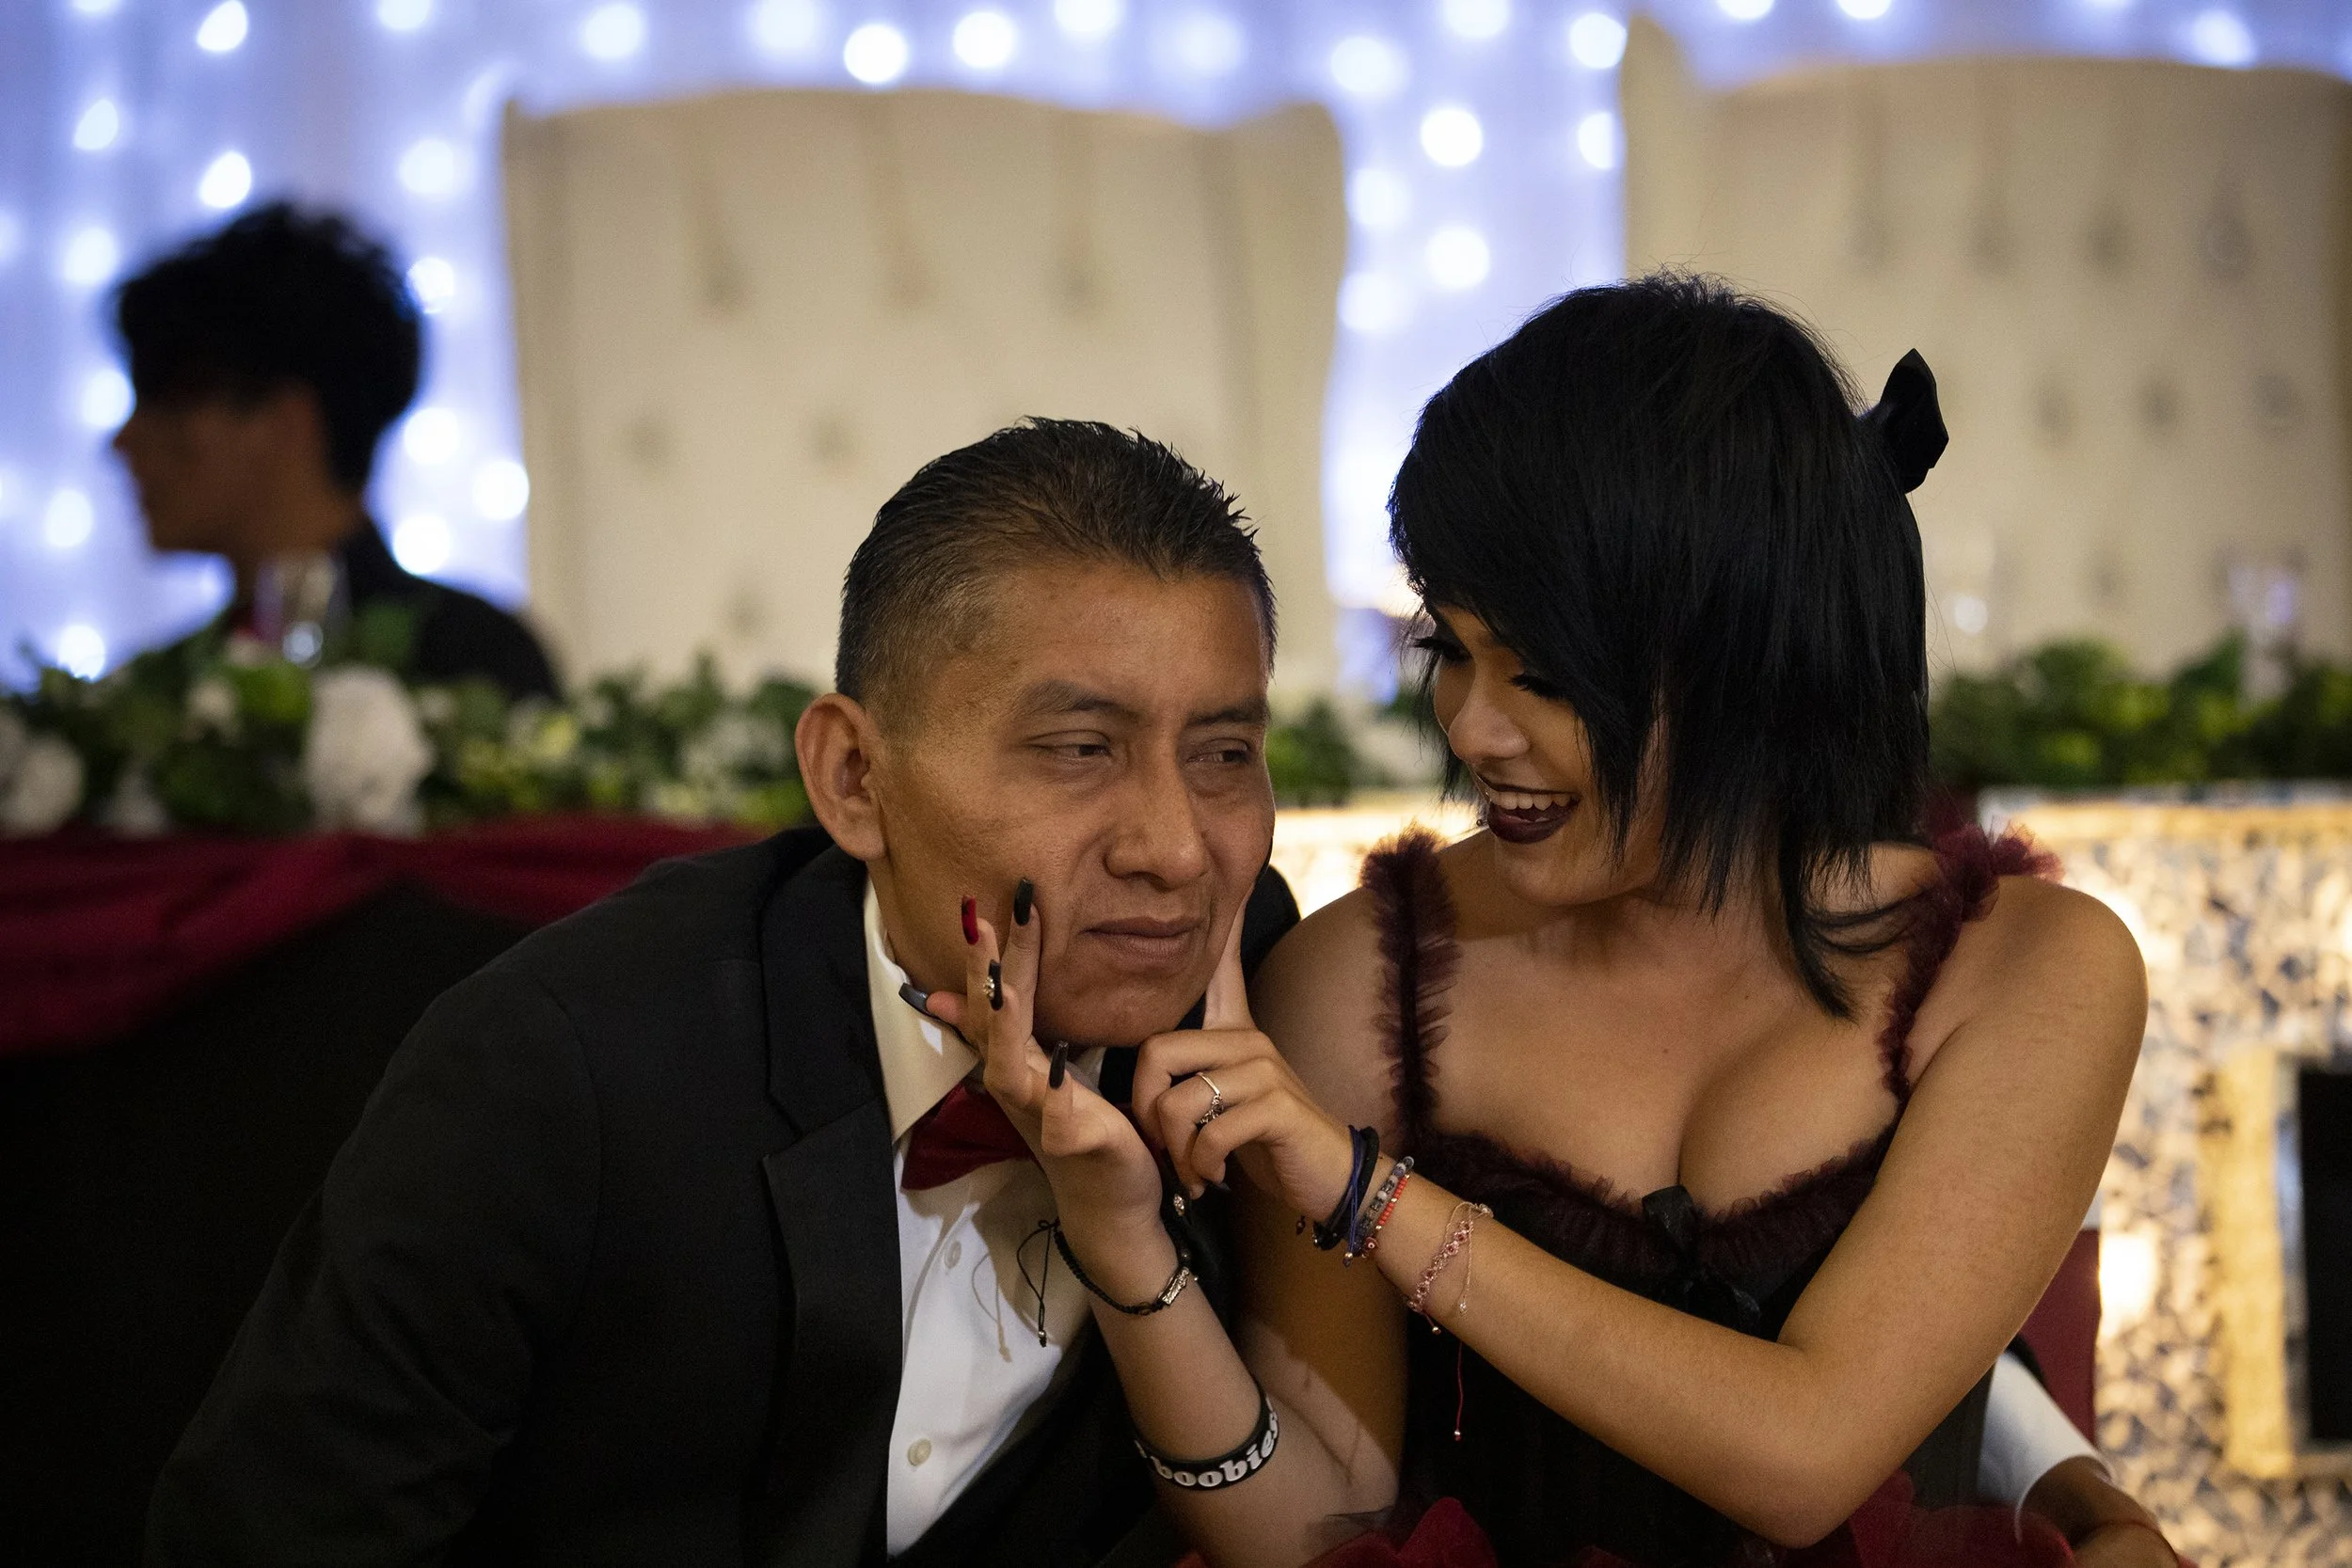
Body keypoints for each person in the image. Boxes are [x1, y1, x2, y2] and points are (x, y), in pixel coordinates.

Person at [942, 281, 2176, 1566]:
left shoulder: (2028, 968)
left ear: (1744, 656)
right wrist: (1124, 1243)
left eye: (1540, 671)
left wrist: (1369, 1194)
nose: (1472, 727)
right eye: (1450, 648)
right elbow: (1317, 1522)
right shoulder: (1362, 978)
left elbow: (1805, 1457)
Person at [144, 420, 1296, 1564]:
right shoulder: (568, 1061)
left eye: (1224, 754)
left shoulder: (1260, 991)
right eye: (1080, 748)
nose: (1175, 850)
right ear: (854, 778)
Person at [110, 201, 557, 701]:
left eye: (168, 404)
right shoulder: (156, 692)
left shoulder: (471, 660)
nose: (124, 441)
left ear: (288, 422)